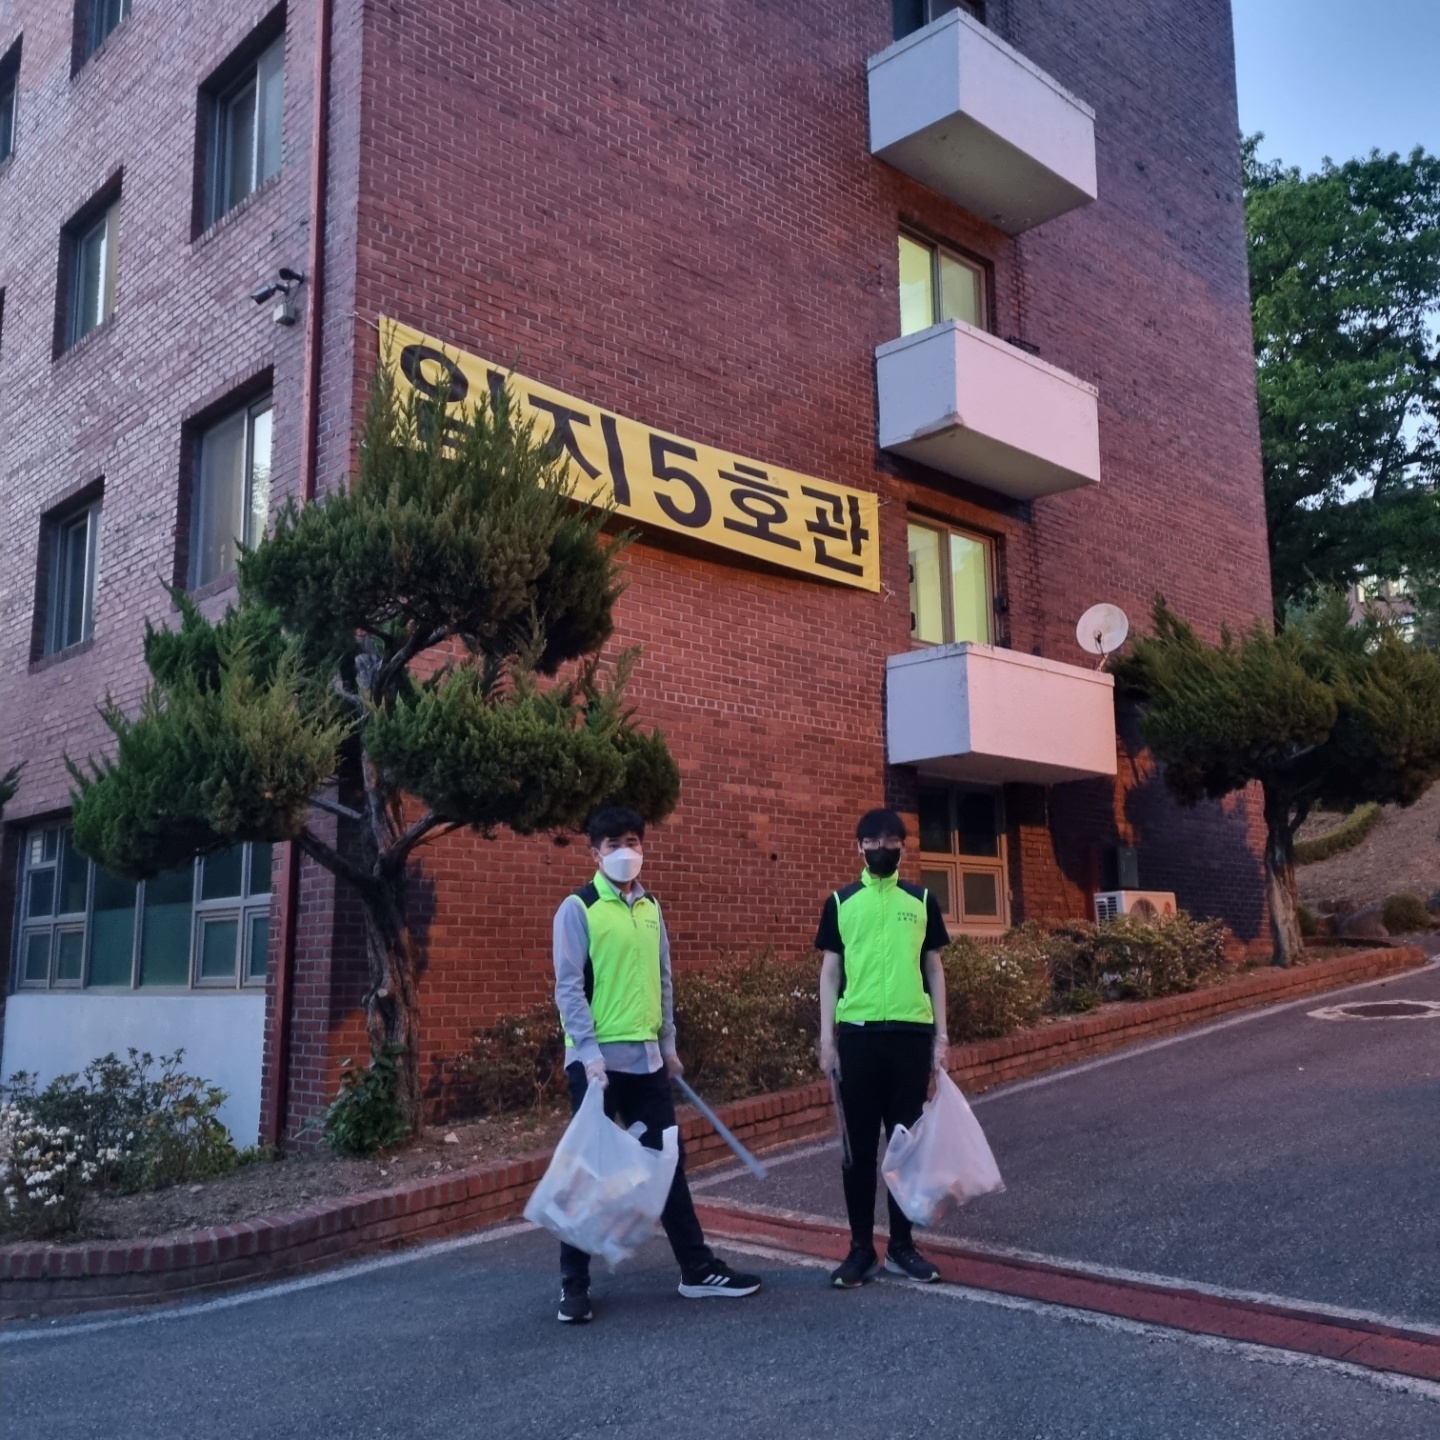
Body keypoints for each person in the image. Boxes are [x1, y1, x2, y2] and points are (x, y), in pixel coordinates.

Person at [550, 805, 762, 1323]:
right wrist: (589, 1053)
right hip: (597, 1068)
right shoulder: (578, 909)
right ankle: (573, 1284)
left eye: (633, 842)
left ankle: (697, 1269)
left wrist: (668, 1045)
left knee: (667, 1163)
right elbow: (568, 987)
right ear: (594, 853)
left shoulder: (650, 908)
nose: (626, 852)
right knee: (587, 1171)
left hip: (646, 1062)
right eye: (613, 845)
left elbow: (662, 979)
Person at [815, 807, 950, 1288]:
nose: (881, 848)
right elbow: (830, 974)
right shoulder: (841, 902)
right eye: (871, 842)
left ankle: (901, 1246)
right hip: (858, 1037)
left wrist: (942, 1037)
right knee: (857, 1149)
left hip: (911, 1036)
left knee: (903, 1146)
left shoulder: (921, 899)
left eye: (891, 841)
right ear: (859, 848)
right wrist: (827, 1039)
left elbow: (933, 969)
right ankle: (859, 1249)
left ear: (903, 847)